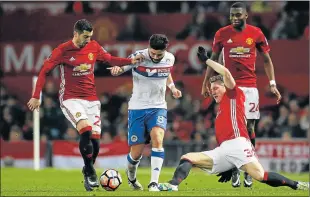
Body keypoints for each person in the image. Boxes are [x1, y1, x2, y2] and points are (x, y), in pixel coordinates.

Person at [158, 46, 309, 192]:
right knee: (188, 157)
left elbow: (227, 74)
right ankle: (173, 185)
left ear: (225, 86)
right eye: (211, 90)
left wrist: (207, 60)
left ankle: (297, 185)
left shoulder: (233, 94)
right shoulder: (221, 107)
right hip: (224, 150)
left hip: (239, 144)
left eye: (216, 88)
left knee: (261, 176)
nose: (213, 92)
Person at [27, 19, 144, 192]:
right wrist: (36, 96)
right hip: (70, 98)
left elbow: (110, 59)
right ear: (76, 34)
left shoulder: (94, 46)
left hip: (91, 100)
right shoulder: (62, 50)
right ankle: (90, 172)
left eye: (90, 36)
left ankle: (86, 168)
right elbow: (44, 71)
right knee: (86, 130)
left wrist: (131, 61)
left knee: (96, 142)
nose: (88, 40)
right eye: (85, 36)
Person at [201, 2, 282, 188]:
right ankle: (236, 168)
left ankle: (249, 167)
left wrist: (272, 84)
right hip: (230, 86)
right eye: (232, 15)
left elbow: (267, 60)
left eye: (238, 15)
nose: (235, 18)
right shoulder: (221, 34)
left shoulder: (256, 33)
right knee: (231, 128)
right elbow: (213, 60)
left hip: (250, 87)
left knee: (249, 127)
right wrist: (206, 81)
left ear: (246, 15)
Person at [108, 34, 182, 191]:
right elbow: (122, 67)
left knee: (157, 137)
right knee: (136, 153)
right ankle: (131, 177)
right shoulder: (138, 56)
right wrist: (116, 70)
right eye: (153, 53)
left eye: (158, 54)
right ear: (148, 47)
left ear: (165, 51)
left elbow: (167, 72)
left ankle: (153, 183)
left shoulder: (170, 58)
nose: (155, 56)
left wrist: (173, 87)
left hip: (158, 107)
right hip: (137, 108)